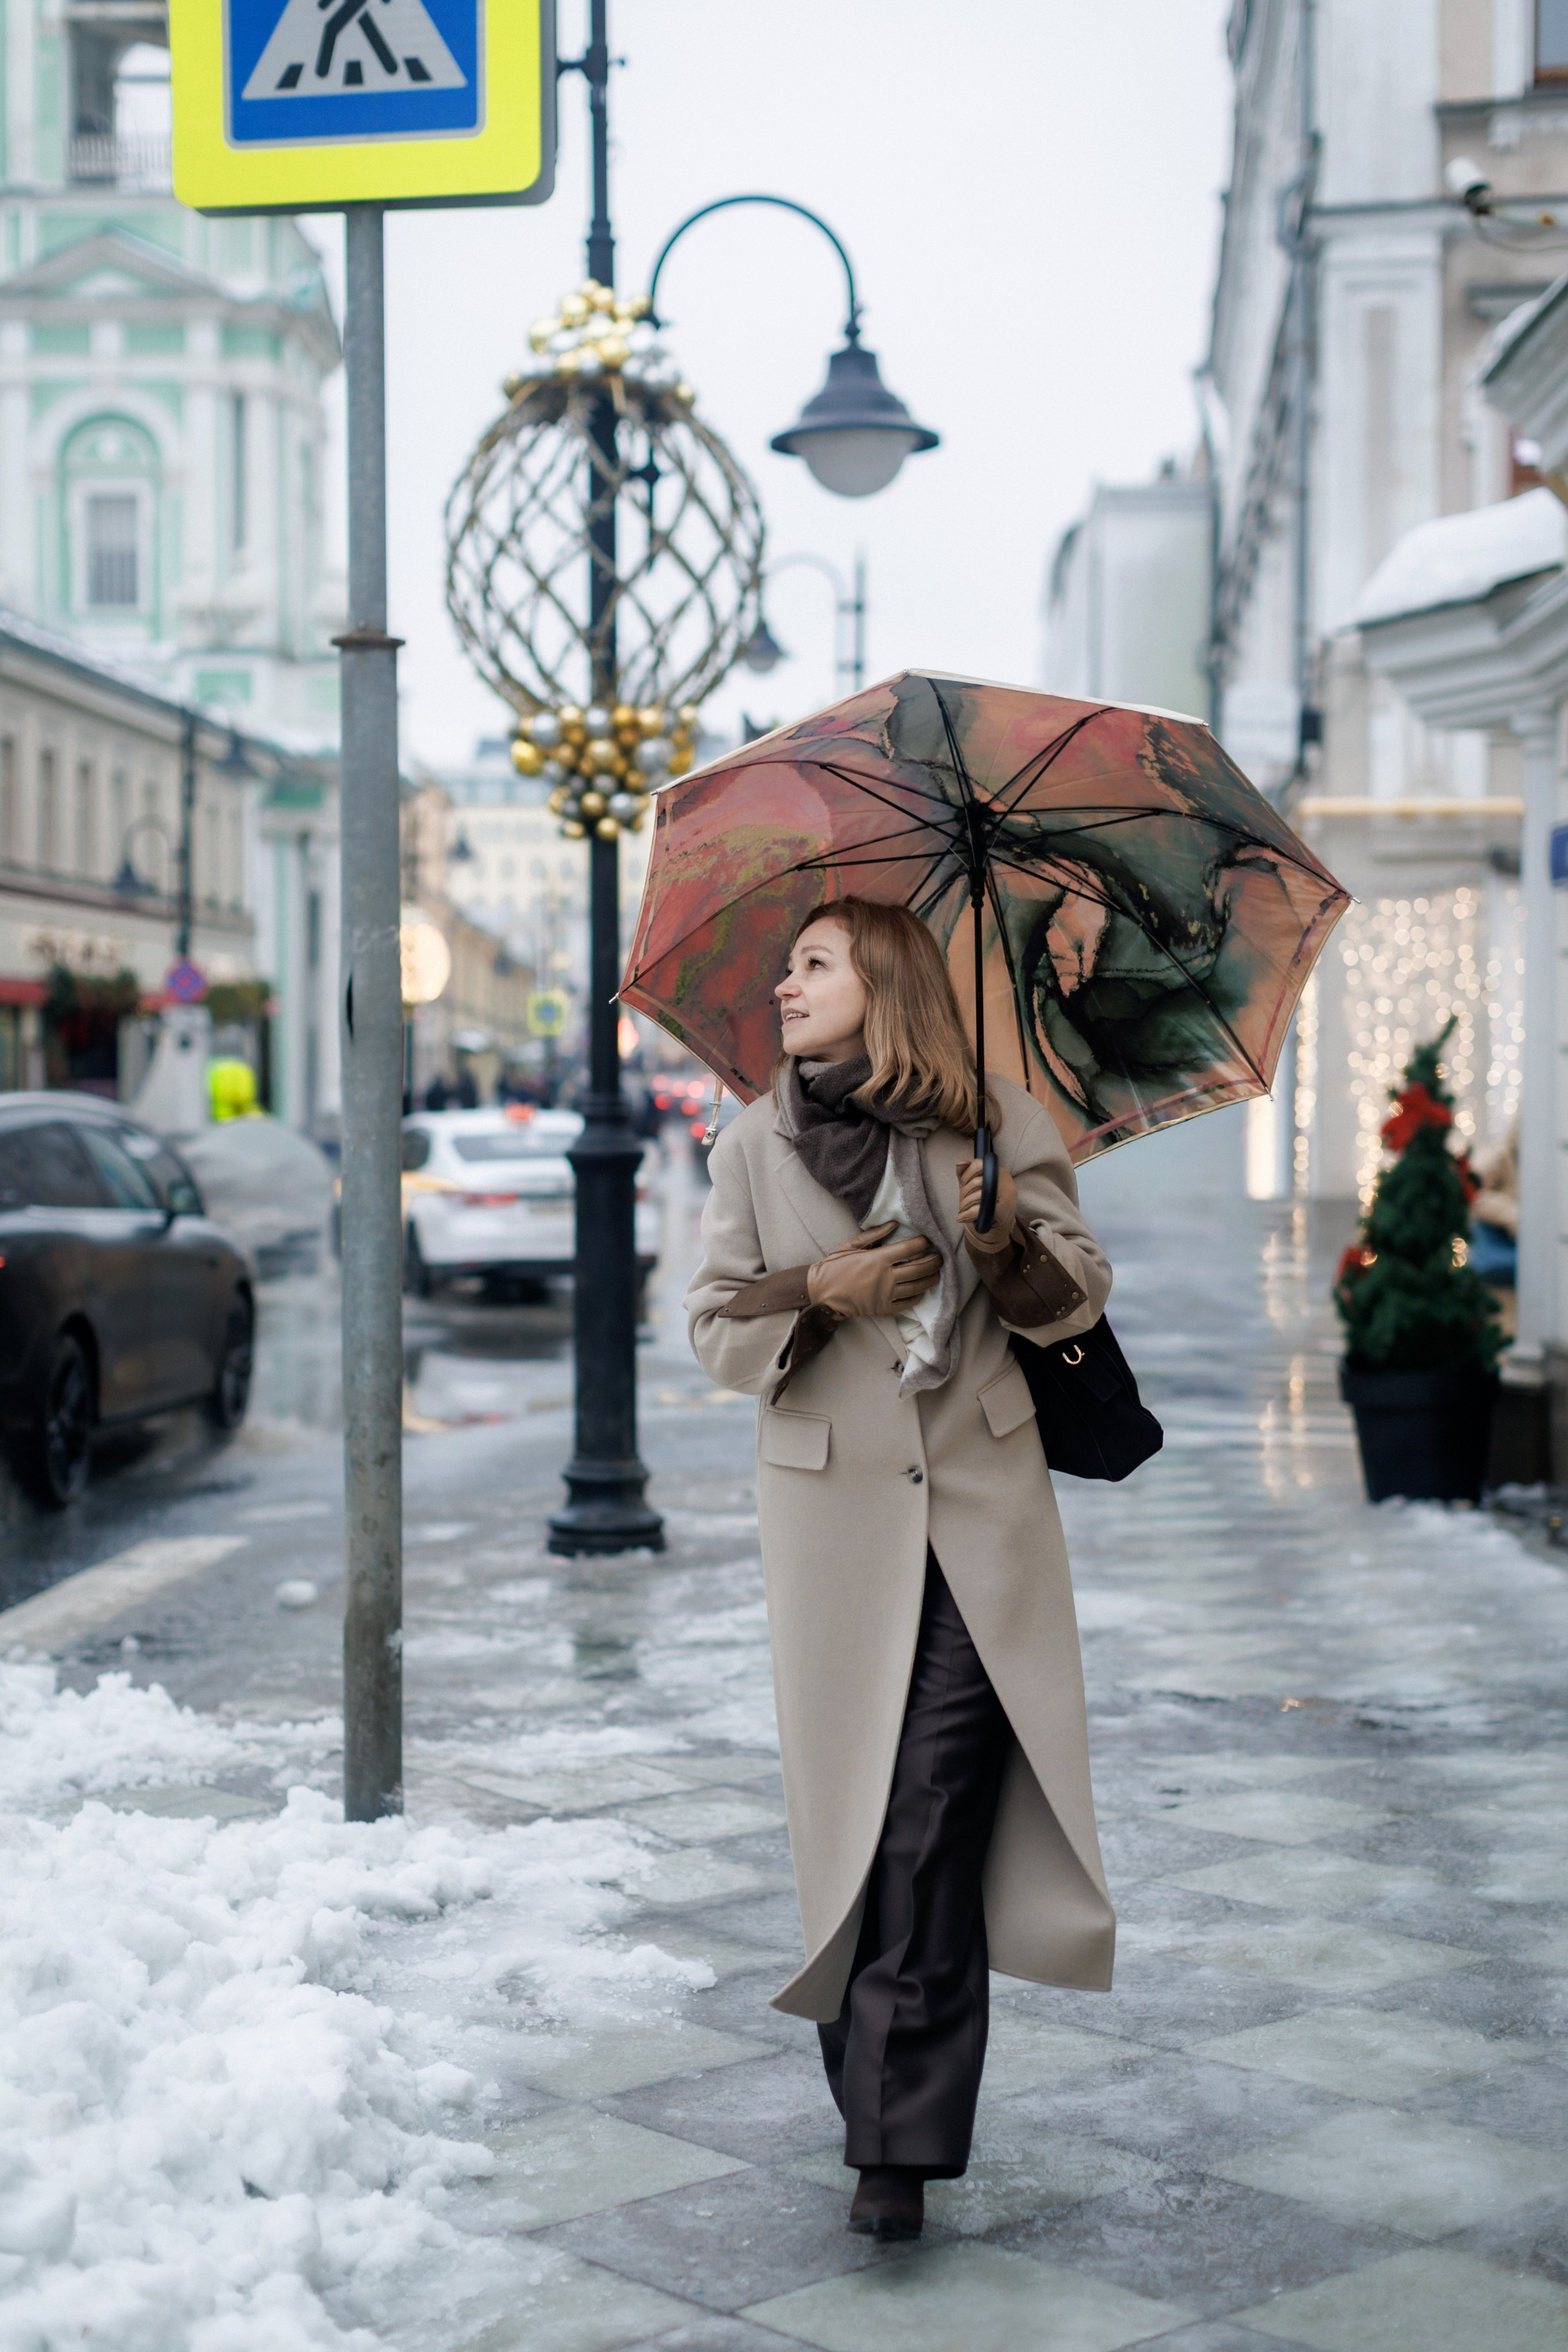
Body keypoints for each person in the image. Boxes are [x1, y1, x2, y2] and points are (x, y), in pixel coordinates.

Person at [686, 897, 1115, 2243]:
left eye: (812, 963)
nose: (784, 985)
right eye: (788, 965)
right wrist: (825, 1293)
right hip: (829, 1533)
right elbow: (711, 1326)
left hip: (977, 1520)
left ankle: (896, 2145)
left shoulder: (999, 1122)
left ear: (883, 980)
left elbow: (1080, 1296)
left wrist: (1001, 1244)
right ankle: (876, 2095)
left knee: (930, 1816)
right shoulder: (754, 1141)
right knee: (860, 1832)